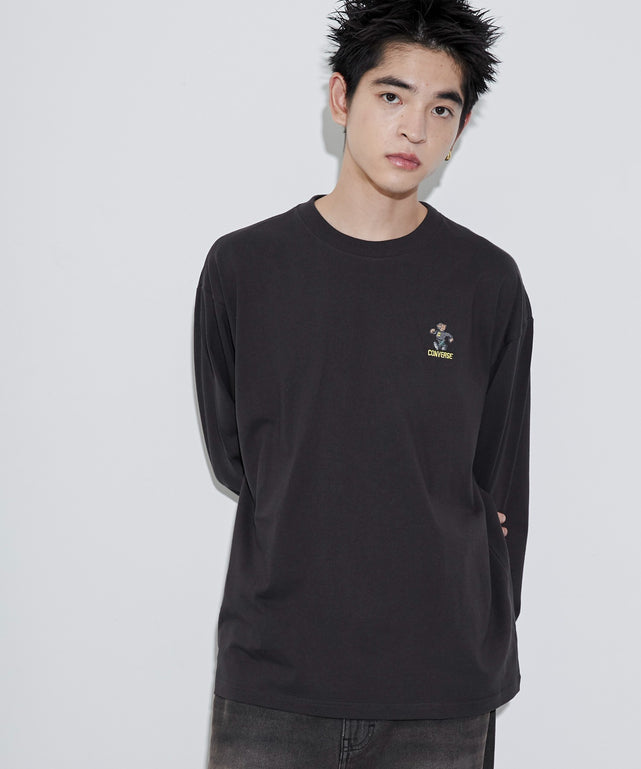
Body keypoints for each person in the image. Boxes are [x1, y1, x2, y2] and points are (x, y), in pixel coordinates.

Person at [193, 1, 534, 767]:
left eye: (440, 108)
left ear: (459, 127)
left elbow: (499, 479)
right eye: (391, 95)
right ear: (341, 98)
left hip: (440, 689)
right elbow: (238, 457)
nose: (414, 128)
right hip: (276, 677)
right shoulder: (245, 268)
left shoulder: (485, 283)